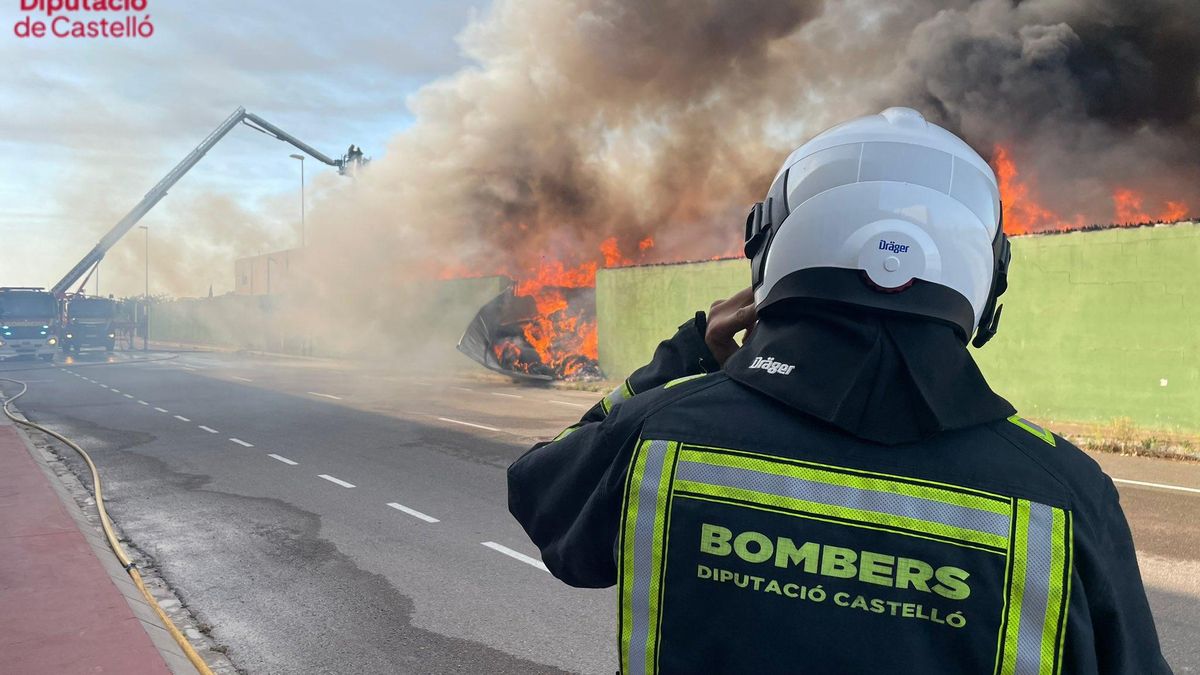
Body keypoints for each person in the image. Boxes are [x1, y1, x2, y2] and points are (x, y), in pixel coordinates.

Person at [507, 108, 1169, 674]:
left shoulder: (661, 431)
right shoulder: (1064, 494)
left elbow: (541, 491)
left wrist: (681, 359)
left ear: (770, 247)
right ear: (988, 277)